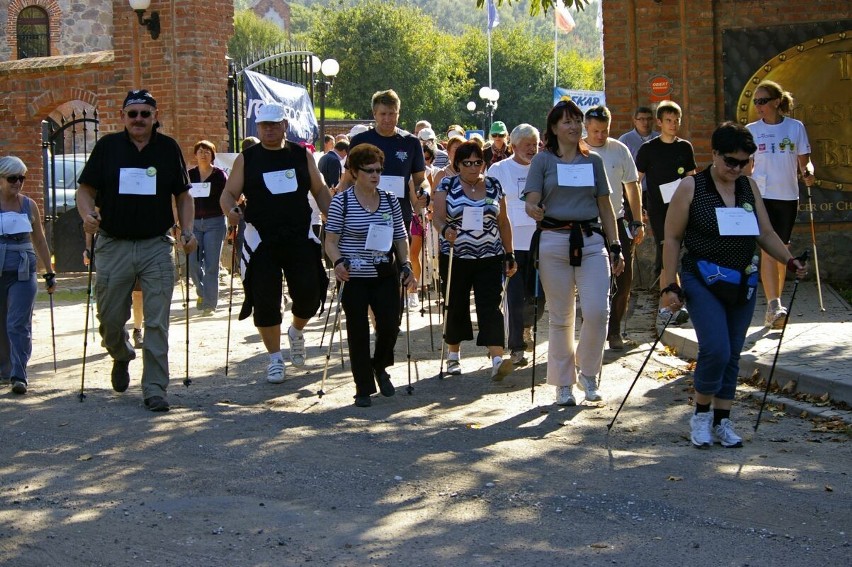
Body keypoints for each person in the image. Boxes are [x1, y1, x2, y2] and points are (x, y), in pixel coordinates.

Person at [660, 122, 808, 448]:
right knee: (716, 348)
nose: (736, 168)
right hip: (702, 278)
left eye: (744, 162)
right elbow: (671, 238)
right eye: (730, 161)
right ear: (713, 154)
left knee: (733, 354)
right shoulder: (691, 187)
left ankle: (723, 421)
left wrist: (790, 260)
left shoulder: (748, 187)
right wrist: (669, 284)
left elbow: (765, 233)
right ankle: (700, 417)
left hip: (743, 280)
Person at [76, 89, 197, 412]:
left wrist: (187, 230)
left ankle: (155, 387)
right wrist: (88, 215)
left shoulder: (168, 148)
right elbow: (85, 190)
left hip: (156, 244)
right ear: (123, 117)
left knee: (157, 321)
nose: (139, 119)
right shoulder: (107, 148)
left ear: (155, 116)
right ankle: (121, 353)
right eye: (133, 114)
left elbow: (184, 196)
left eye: (145, 113)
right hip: (113, 243)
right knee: (109, 318)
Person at [523, 98, 625, 406]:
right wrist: (533, 208)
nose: (574, 126)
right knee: (561, 317)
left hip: (591, 240)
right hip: (554, 239)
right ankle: (563, 383)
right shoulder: (543, 161)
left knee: (597, 311)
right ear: (554, 128)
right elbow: (532, 198)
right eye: (566, 121)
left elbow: (605, 205)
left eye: (576, 120)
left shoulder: (592, 160)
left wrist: (615, 244)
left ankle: (588, 372)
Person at [220, 102, 331, 384]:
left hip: (299, 235)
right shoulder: (247, 158)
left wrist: (334, 216)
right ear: (257, 127)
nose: (269, 129)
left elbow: (318, 189)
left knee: (310, 294)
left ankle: (296, 330)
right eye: (263, 125)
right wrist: (230, 211)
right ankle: (274, 359)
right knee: (265, 300)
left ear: (285, 125)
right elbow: (228, 193)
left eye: (274, 124)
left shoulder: (301, 155)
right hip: (262, 239)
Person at [324, 144, 417, 407]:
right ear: (354, 172)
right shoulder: (341, 201)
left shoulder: (389, 200)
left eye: (378, 170)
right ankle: (363, 387)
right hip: (353, 275)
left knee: (390, 325)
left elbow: (401, 237)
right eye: (368, 171)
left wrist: (407, 263)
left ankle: (380, 365)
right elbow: (330, 240)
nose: (375, 175)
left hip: (384, 272)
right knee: (357, 331)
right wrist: (338, 261)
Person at [433, 140, 516, 380]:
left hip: (490, 255)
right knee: (455, 304)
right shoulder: (446, 184)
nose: (473, 167)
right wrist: (445, 229)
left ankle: (498, 358)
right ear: (457, 164)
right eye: (467, 163)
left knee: (490, 305)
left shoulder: (493, 185)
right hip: (456, 256)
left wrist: (509, 253)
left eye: (477, 162)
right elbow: (438, 217)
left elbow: (503, 222)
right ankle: (453, 355)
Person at [745, 80, 814, 329]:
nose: (758, 106)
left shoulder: (795, 128)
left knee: (783, 250)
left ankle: (776, 304)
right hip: (762, 195)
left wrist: (808, 172)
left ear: (776, 102)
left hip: (788, 196)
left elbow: (806, 162)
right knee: (767, 250)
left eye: (762, 101)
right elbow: (746, 167)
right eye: (755, 102)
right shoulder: (751, 130)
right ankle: (774, 305)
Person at [584, 105, 645, 350]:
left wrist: (637, 220)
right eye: (596, 131)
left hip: (617, 221)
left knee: (624, 279)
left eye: (605, 131)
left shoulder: (619, 150)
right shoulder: (577, 150)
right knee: (590, 282)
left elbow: (632, 186)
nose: (600, 136)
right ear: (586, 127)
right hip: (587, 223)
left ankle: (615, 331)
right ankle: (590, 330)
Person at [486, 123, 542, 366]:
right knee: (515, 295)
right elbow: (490, 204)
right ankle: (517, 346)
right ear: (514, 146)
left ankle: (528, 326)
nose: (532, 149)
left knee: (538, 297)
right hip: (511, 243)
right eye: (527, 145)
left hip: (542, 241)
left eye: (535, 144)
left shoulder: (543, 168)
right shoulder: (498, 169)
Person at [0, 156, 56, 395]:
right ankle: (4, 370)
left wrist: (50, 272)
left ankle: (18, 374)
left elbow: (40, 240)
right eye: (12, 178)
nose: (18, 183)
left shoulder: (28, 204)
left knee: (18, 324)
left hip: (23, 271)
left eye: (21, 178)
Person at [336, 90, 429, 231]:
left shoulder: (411, 142)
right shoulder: (360, 141)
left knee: (403, 253)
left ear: (398, 113)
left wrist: (424, 192)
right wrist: (344, 210)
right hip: (364, 215)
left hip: (399, 215)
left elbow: (420, 179)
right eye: (383, 114)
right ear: (374, 114)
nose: (387, 118)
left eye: (392, 113)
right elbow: (348, 179)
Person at [635, 100, 696, 290]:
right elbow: (637, 180)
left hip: (681, 206)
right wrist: (639, 207)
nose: (673, 124)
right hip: (658, 208)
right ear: (659, 122)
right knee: (665, 249)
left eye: (677, 120)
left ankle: (677, 290)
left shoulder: (685, 147)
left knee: (681, 249)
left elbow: (692, 178)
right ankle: (668, 292)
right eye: (669, 120)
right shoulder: (648, 149)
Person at [188, 139, 228, 315]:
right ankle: (202, 293)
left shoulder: (219, 175)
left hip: (215, 222)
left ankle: (210, 304)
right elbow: (181, 199)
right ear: (195, 154)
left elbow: (227, 196)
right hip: (194, 223)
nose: (203, 155)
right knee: (193, 263)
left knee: (211, 265)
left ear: (212, 155)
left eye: (207, 152)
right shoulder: (189, 175)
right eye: (200, 151)